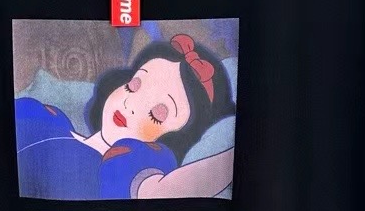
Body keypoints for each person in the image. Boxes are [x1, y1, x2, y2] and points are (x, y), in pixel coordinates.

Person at [15, 33, 235, 200]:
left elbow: (168, 188)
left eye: (157, 114)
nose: (131, 105)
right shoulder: (49, 119)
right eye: (134, 85)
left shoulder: (124, 165)